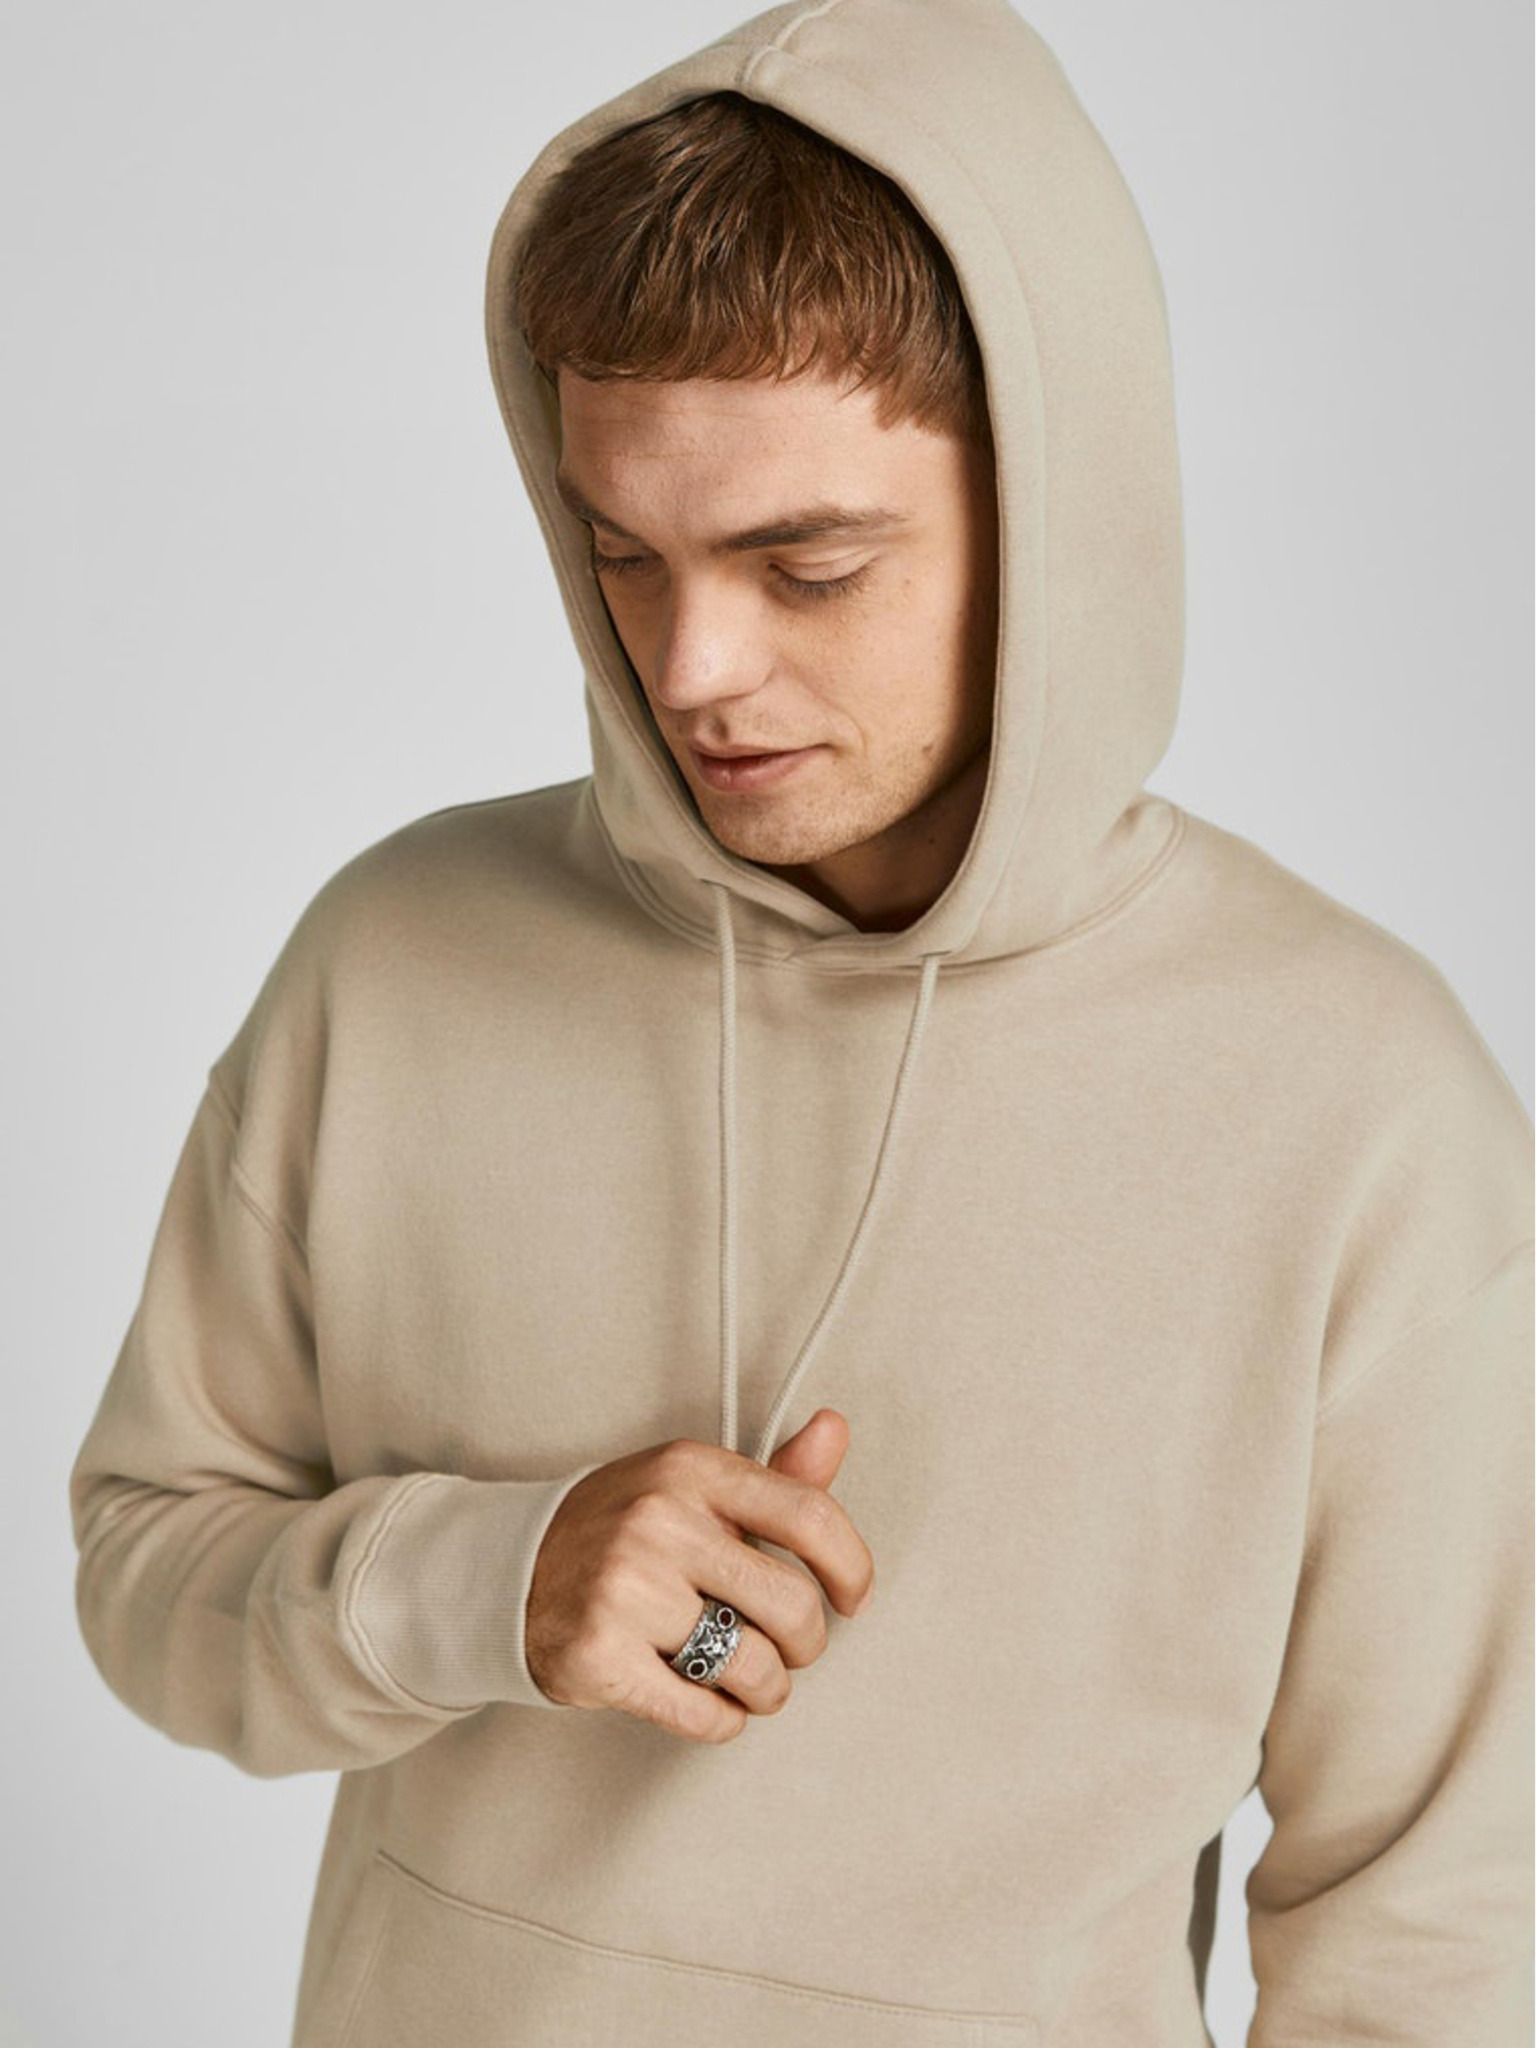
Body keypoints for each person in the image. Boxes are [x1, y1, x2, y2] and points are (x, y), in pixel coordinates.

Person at [68, 1, 1533, 2043]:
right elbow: (145, 1572)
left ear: (1058, 505)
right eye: (624, 554)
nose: (692, 668)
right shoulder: (395, 961)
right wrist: (487, 1580)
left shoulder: (1360, 1103)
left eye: (808, 564)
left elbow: (1434, 1926)